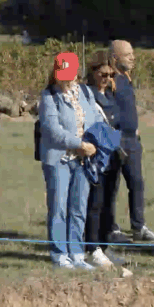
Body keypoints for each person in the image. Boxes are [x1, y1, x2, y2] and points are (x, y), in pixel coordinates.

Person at [38, 52, 105, 269]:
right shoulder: (48, 96)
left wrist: (94, 142)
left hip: (84, 160)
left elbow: (94, 118)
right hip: (59, 159)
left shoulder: (85, 92)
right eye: (60, 74)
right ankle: (59, 254)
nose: (63, 79)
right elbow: (52, 130)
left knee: (78, 206)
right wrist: (78, 143)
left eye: (68, 74)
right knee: (59, 206)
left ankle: (77, 254)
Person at [107, 40, 154, 244]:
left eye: (132, 53)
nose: (133, 57)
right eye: (127, 54)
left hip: (132, 140)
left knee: (137, 183)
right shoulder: (109, 79)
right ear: (114, 58)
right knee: (111, 186)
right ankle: (110, 228)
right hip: (115, 140)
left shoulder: (127, 78)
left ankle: (139, 227)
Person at [83, 50, 125, 268]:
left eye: (111, 75)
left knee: (109, 202)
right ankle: (92, 247)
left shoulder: (111, 95)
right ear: (93, 72)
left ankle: (105, 244)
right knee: (95, 203)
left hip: (113, 156)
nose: (108, 79)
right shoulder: (87, 94)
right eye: (104, 74)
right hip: (97, 156)